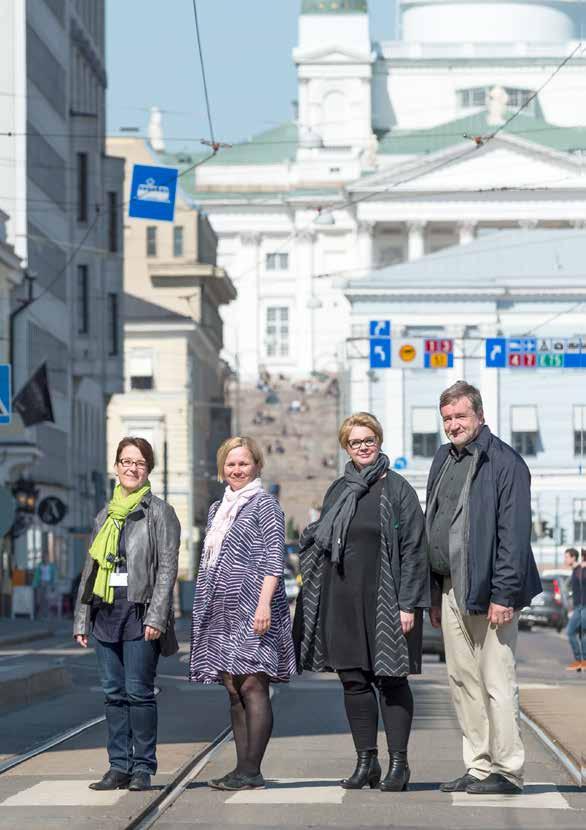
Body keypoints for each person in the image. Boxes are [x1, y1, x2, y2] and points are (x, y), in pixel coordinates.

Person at [294, 412, 430, 793]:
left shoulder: (398, 488)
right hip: (342, 597)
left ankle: (399, 764)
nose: (363, 446)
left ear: (380, 440)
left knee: (391, 679)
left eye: (369, 439)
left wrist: (408, 604)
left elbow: (414, 548)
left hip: (386, 599)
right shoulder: (338, 489)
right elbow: (324, 541)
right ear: (346, 447)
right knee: (353, 681)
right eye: (355, 442)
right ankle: (366, 761)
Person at [426, 381, 541, 796]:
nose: (453, 425)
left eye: (460, 416)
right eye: (447, 419)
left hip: (491, 590)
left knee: (496, 679)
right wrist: (433, 592)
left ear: (480, 416)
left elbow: (514, 534)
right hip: (450, 587)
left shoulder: (505, 463)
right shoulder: (443, 459)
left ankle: (507, 770)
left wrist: (505, 594)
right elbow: (433, 524)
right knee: (462, 681)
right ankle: (477, 766)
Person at [189, 436, 296, 791]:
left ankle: (252, 770)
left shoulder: (265, 504)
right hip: (222, 612)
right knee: (233, 688)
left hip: (254, 608)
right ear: (222, 469)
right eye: (231, 464)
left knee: (252, 684)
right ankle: (241, 768)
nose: (237, 469)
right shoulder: (218, 508)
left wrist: (264, 603)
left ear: (256, 466)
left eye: (243, 463)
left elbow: (272, 558)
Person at [73, 437, 180, 792]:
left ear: (148, 468)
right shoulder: (105, 514)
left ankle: (143, 767)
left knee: (139, 692)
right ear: (116, 467)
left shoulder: (160, 513)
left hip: (139, 614)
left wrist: (157, 617)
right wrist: (81, 619)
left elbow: (167, 568)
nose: (131, 468)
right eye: (125, 461)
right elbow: (90, 569)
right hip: (105, 614)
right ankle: (118, 765)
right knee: (113, 694)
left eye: (139, 463)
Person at [566, 547, 585, 671]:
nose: (565, 559)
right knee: (573, 632)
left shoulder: (581, 570)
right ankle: (579, 660)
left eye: (567, 556)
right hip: (578, 607)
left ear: (574, 557)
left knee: (581, 632)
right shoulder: (576, 570)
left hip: (584, 607)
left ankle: (582, 660)